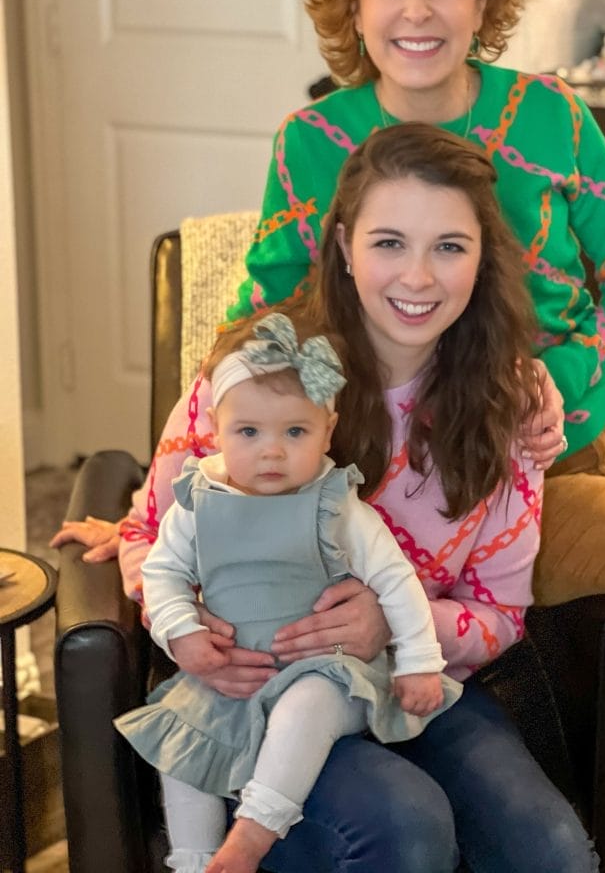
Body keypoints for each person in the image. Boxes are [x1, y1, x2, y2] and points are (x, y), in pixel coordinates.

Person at [52, 0, 605, 873]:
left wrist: (562, 377)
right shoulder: (314, 146)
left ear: (485, 0)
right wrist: (151, 509)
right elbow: (259, 325)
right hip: (511, 453)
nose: (419, 8)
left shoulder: (551, 117)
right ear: (354, 1)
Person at [116, 311, 463, 873]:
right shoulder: (199, 500)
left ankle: (252, 834)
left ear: (328, 428)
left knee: (307, 708)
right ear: (217, 428)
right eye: (248, 432)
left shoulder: (335, 504)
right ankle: (195, 860)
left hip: (327, 671)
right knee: (180, 746)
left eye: (295, 432)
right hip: (233, 672)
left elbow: (396, 583)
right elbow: (162, 574)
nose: (271, 452)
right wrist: (180, 633)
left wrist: (420, 663)